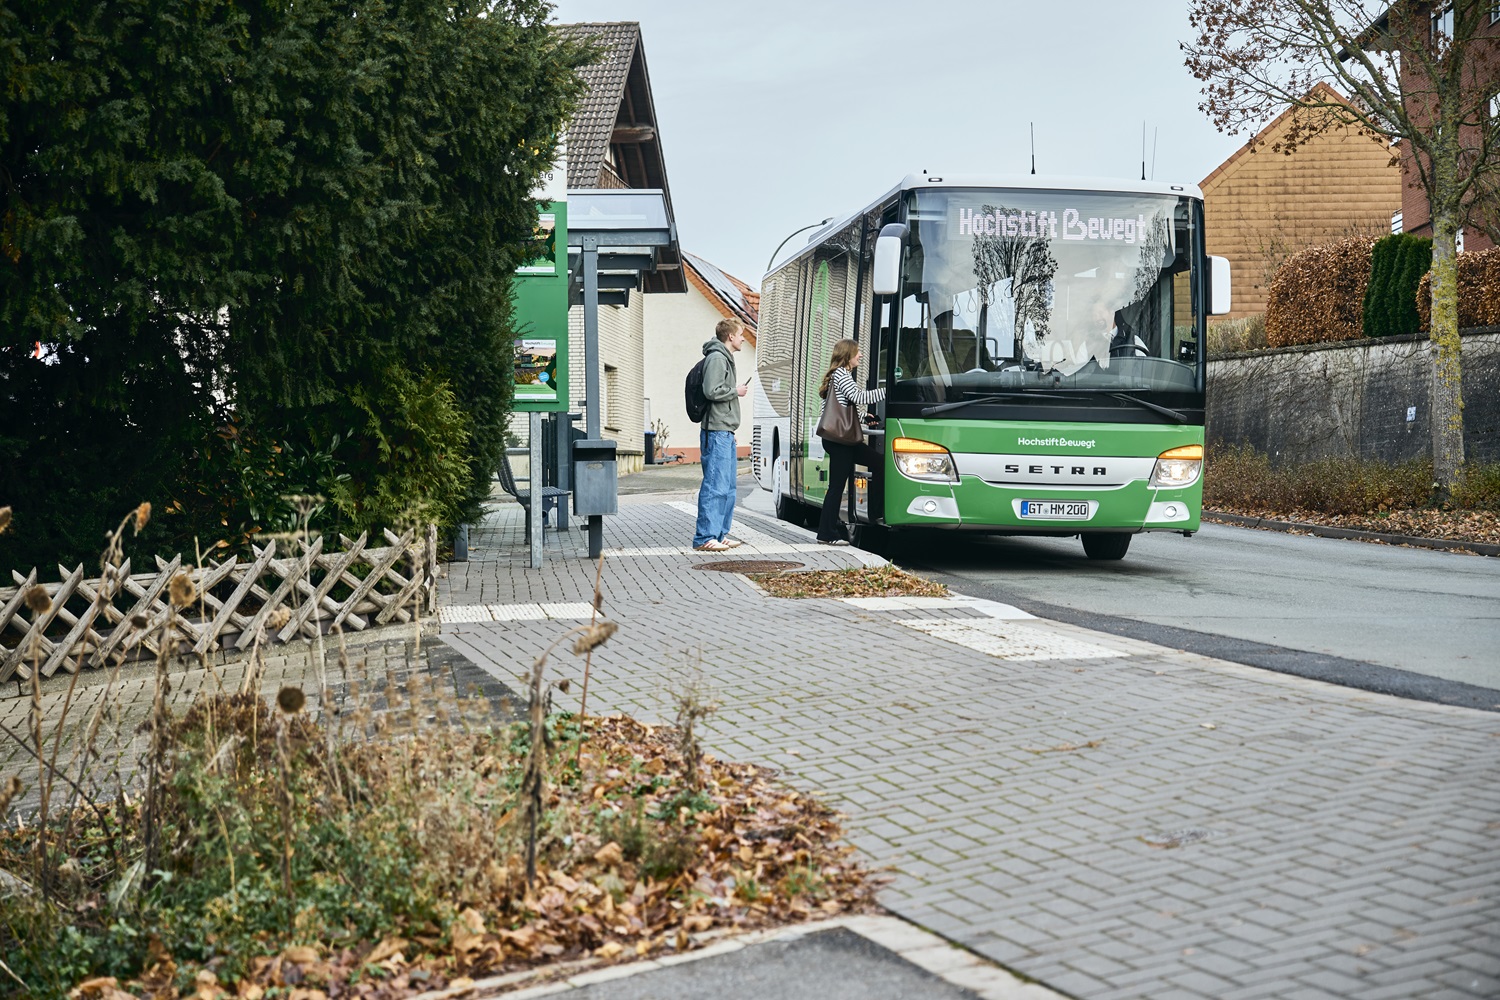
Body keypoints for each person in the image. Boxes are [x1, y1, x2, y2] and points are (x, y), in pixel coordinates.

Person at [816, 338, 886, 545]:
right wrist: (889, 390)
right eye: (857, 352)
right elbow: (858, 396)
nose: (860, 355)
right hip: (841, 441)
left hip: (839, 439)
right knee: (837, 486)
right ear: (848, 355)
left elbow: (842, 407)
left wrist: (864, 418)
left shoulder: (836, 376)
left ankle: (875, 512)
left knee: (878, 463)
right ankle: (826, 534)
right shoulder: (842, 374)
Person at [693, 318, 749, 552]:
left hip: (724, 430)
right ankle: (705, 537)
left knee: (728, 487)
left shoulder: (725, 357)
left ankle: (719, 533)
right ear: (730, 337)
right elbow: (711, 390)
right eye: (740, 334)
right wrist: (736, 391)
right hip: (716, 431)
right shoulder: (717, 358)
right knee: (715, 485)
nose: (743, 338)